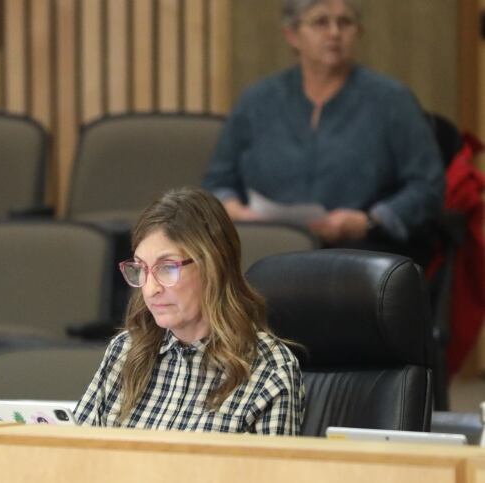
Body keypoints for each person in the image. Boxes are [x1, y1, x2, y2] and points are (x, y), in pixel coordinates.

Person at [202, 0, 445, 263]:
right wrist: (237, 212)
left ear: (358, 32)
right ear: (292, 35)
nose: (334, 33)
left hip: (363, 254)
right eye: (320, 22)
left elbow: (427, 186)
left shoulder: (392, 100)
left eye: (345, 22)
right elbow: (218, 183)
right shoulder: (256, 101)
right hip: (266, 251)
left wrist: (370, 220)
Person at [74, 187, 305, 434]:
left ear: (213, 266)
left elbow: (269, 473)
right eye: (141, 268)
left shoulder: (269, 369)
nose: (151, 289)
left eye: (167, 267)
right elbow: (77, 453)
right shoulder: (125, 349)